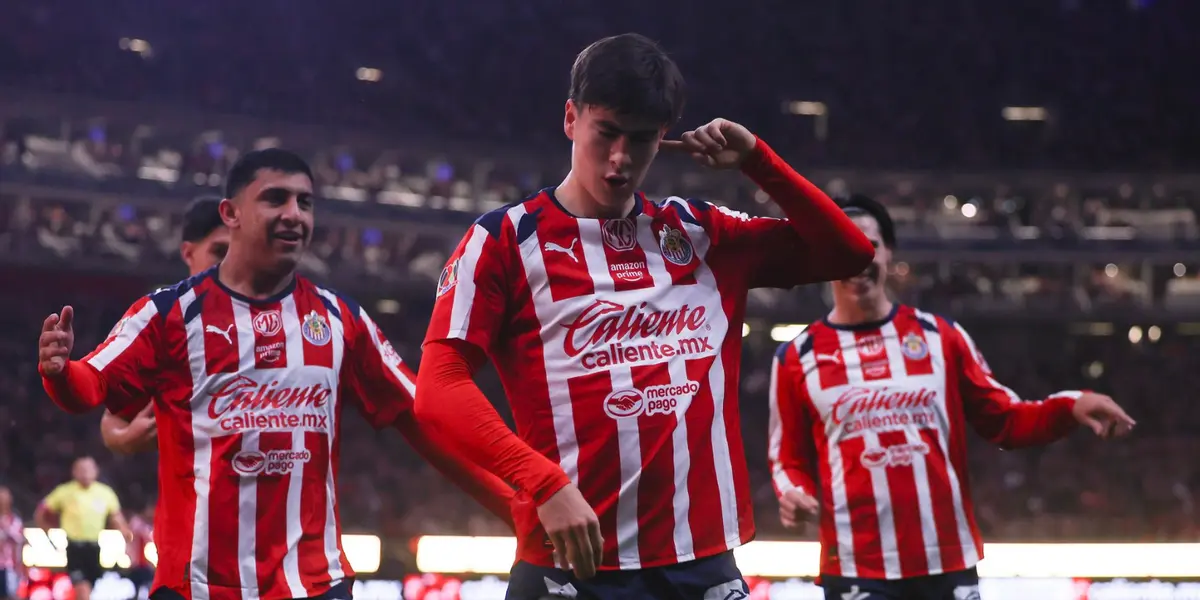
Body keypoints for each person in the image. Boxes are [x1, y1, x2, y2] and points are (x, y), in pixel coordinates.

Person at [414, 33, 875, 600]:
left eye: (640, 139)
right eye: (606, 133)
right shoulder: (504, 240)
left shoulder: (702, 234)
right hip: (569, 567)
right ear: (570, 118)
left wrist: (757, 160)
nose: (620, 159)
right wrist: (541, 482)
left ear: (664, 137)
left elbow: (849, 252)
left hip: (702, 565)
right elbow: (438, 386)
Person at [38, 148, 516, 600]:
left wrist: (517, 504)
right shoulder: (168, 314)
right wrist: (59, 372)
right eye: (276, 198)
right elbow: (89, 385)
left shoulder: (339, 319)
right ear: (231, 213)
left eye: (305, 202)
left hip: (315, 584)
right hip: (199, 587)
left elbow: (425, 414)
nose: (294, 214)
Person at [767, 194, 1136, 600]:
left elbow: (1006, 420)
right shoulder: (796, 357)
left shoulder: (939, 336)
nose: (857, 258)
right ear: (823, 257)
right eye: (841, 245)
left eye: (869, 245)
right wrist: (793, 491)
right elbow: (787, 459)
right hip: (856, 567)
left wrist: (1071, 405)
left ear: (889, 253)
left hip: (946, 563)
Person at [100, 196, 230, 454]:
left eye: (238, 253)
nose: (230, 264)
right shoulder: (166, 324)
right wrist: (125, 440)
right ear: (188, 252)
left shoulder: (275, 321)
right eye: (219, 252)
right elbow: (113, 421)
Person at [33, 457, 132, 600]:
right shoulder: (65, 492)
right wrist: (46, 528)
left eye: (88, 469)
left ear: (96, 471)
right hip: (74, 547)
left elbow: (116, 517)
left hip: (95, 548)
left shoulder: (105, 493)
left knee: (89, 587)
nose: (85, 473)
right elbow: (42, 510)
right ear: (74, 472)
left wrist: (125, 533)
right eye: (81, 469)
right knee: (82, 588)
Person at [126, 501, 156, 596]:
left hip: (144, 563)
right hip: (136, 564)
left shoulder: (147, 525)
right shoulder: (136, 522)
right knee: (137, 588)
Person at [0, 486, 24, 600]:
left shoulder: (15, 521)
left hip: (11, 567)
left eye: (5, 497)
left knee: (12, 595)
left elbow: (19, 540)